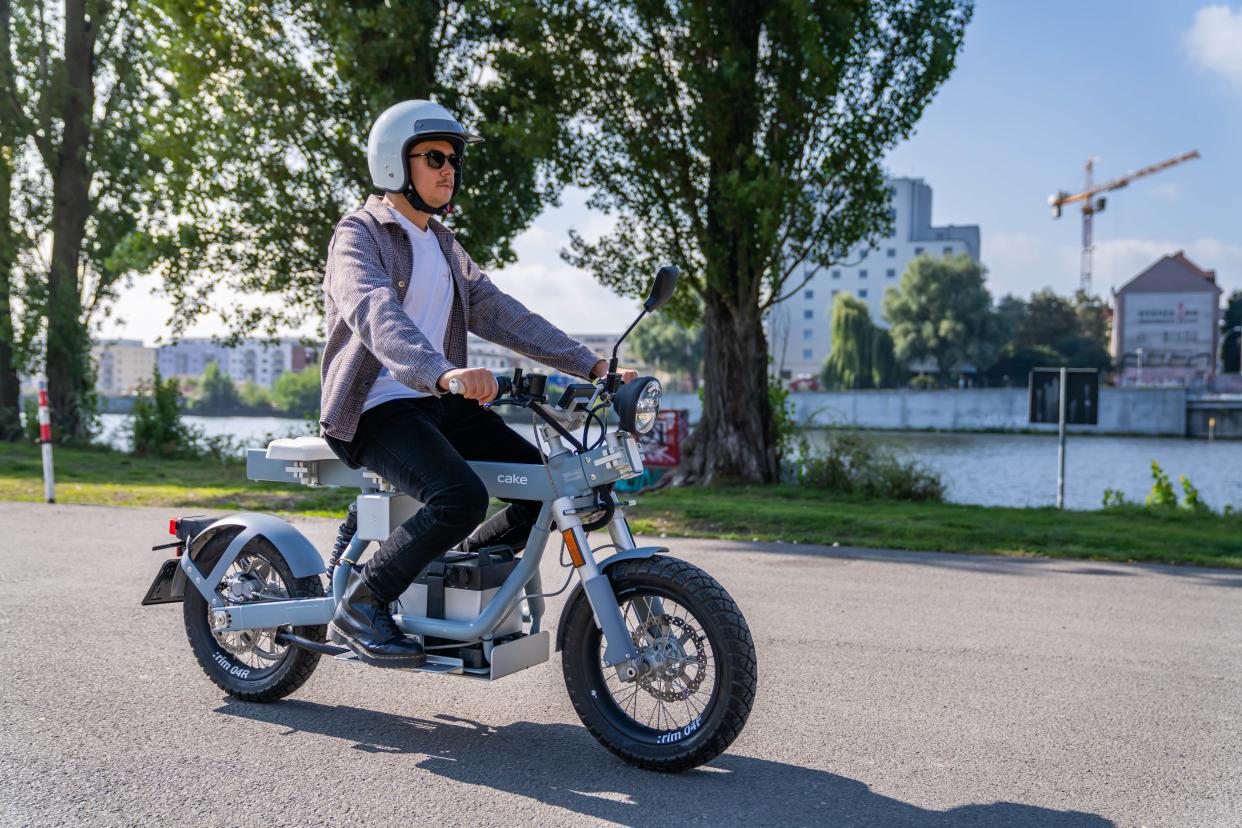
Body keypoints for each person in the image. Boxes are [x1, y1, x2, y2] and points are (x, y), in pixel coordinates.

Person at [318, 100, 636, 668]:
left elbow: (507, 316)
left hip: (437, 401)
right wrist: (439, 371)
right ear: (395, 164)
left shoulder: (444, 246)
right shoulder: (359, 235)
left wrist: (593, 367)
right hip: (375, 407)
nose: (449, 170)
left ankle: (447, 562)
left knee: (544, 487)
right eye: (435, 157)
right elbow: (372, 310)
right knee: (459, 496)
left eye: (454, 160)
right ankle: (362, 604)